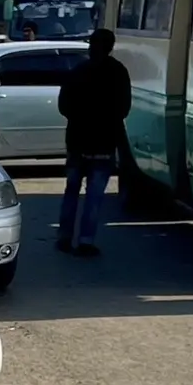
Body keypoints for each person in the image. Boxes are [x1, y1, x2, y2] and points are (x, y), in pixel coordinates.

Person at [56, 27, 132, 257]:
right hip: (104, 143)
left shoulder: (78, 71)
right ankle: (86, 240)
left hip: (78, 142)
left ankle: (64, 237)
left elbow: (64, 106)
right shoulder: (118, 72)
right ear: (110, 47)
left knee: (71, 190)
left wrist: (80, 118)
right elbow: (124, 109)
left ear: (91, 45)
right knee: (94, 196)